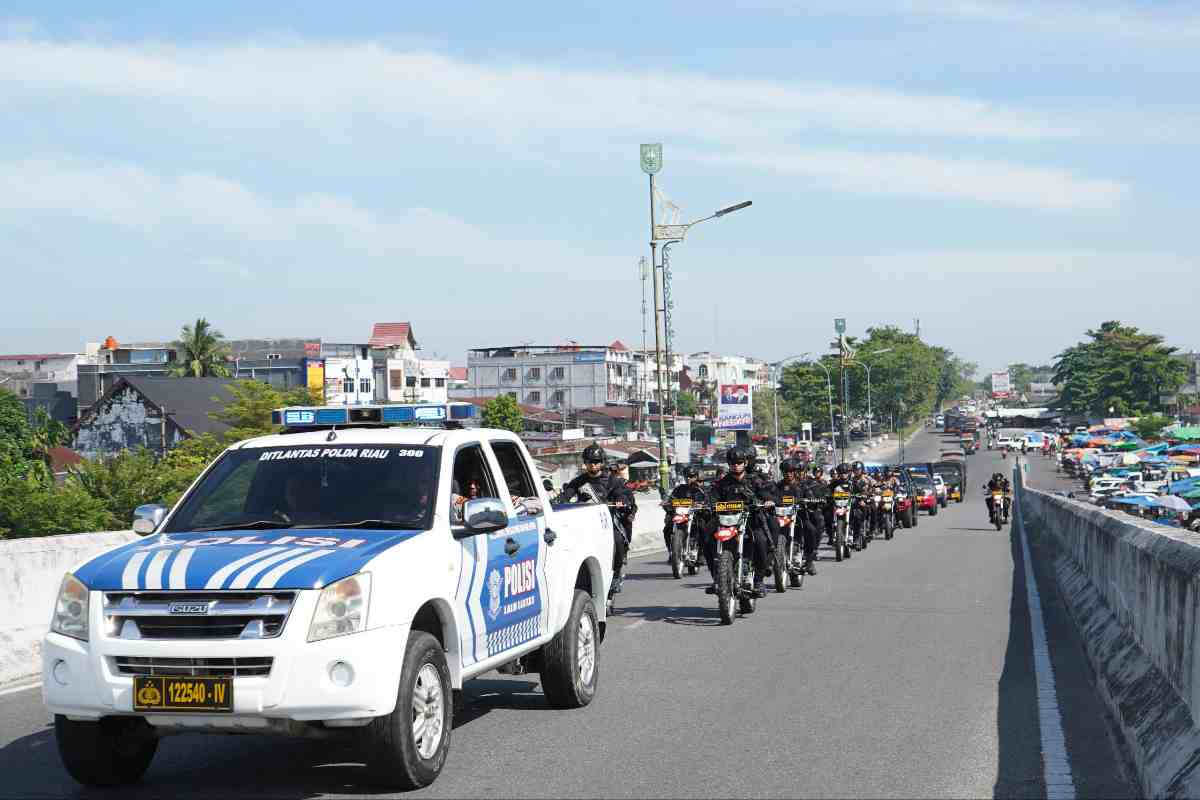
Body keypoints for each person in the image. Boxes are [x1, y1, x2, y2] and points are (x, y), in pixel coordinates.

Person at [557, 444, 635, 594]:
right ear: (585, 463)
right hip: (584, 524)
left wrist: (621, 501)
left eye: (597, 461)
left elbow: (623, 495)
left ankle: (616, 574)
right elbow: (565, 496)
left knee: (617, 540)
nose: (593, 464)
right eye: (590, 461)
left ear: (602, 462)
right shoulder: (578, 481)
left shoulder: (613, 481)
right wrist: (556, 502)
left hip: (607, 523)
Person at [708, 445, 775, 597]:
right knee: (707, 540)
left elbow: (766, 493)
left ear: (745, 463)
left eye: (739, 462)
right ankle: (716, 579)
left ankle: (758, 581)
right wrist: (707, 505)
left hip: (750, 520)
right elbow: (712, 497)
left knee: (761, 541)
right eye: (732, 462)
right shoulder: (722, 483)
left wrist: (768, 501)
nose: (736, 465)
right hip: (726, 521)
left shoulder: (755, 481)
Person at [662, 466, 709, 552]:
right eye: (686, 476)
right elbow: (671, 499)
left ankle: (703, 553)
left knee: (704, 529)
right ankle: (671, 552)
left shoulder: (700, 490)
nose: (688, 478)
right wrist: (666, 503)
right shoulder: (679, 489)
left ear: (695, 477)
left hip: (696, 516)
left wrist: (702, 505)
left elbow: (707, 501)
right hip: (681, 516)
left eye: (691, 476)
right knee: (667, 529)